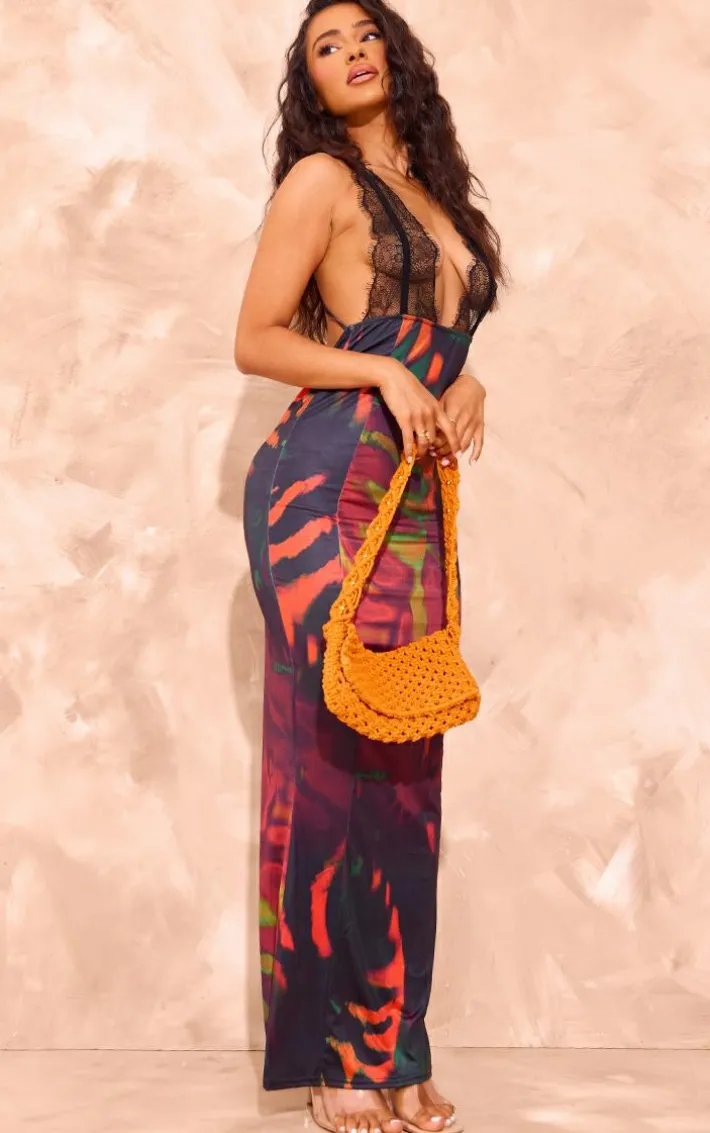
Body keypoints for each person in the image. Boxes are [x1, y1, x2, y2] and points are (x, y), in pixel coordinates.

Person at [234, 3, 504, 1131]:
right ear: (310, 81)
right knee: (332, 759)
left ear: (396, 51)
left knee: (406, 760)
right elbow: (255, 337)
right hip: (323, 482)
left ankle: (396, 1040)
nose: (347, 53)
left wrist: (461, 378)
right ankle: (332, 1050)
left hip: (408, 489)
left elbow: (439, 337)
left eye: (361, 35)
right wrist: (384, 374)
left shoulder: (437, 193)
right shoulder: (320, 180)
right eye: (322, 48)